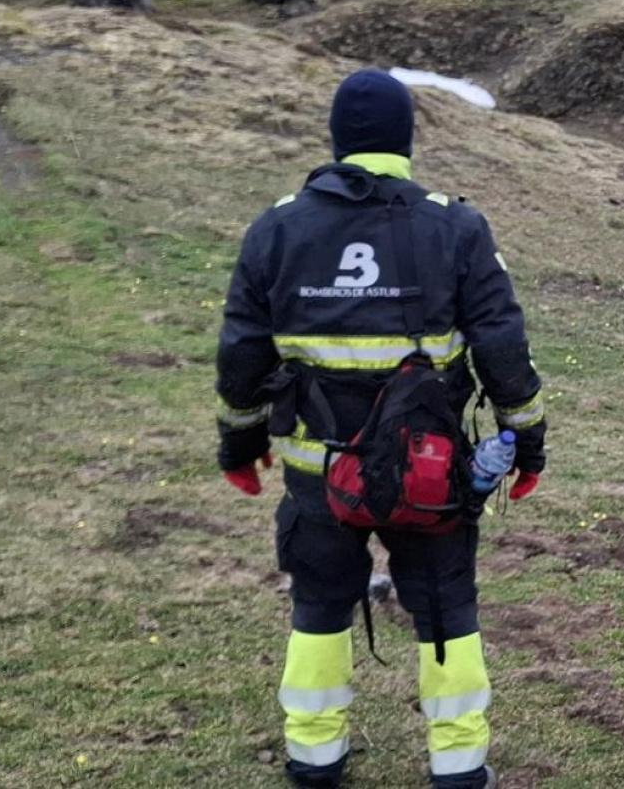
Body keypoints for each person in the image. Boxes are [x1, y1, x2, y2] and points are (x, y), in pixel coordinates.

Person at [214, 69, 547, 789]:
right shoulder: (455, 225)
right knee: (447, 611)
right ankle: (459, 768)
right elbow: (503, 349)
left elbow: (242, 353)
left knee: (319, 608)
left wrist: (238, 447)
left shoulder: (277, 228)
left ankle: (314, 758)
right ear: (405, 140)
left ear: (337, 140)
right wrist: (530, 442)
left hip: (315, 476)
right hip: (432, 474)